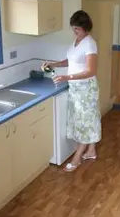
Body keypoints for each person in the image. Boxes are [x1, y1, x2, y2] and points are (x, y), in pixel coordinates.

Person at [42, 10, 101, 172]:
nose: (74, 31)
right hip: (76, 87)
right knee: (86, 120)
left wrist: (67, 77)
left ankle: (77, 159)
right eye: (73, 28)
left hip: (86, 88)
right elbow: (71, 60)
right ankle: (91, 151)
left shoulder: (90, 44)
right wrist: (54, 64)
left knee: (85, 122)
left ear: (85, 28)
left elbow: (91, 71)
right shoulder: (77, 41)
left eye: (77, 29)